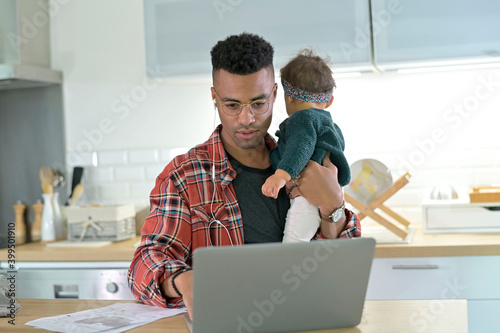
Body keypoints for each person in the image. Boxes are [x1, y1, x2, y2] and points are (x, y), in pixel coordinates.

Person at [127, 33, 361, 320]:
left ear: (275, 94)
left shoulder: (311, 165)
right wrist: (184, 281)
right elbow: (144, 265)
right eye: (232, 105)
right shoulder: (183, 176)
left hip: (303, 321)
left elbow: (346, 271)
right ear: (214, 98)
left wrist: (333, 207)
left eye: (259, 104)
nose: (246, 119)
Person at [261, 49, 351, 243]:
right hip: (328, 191)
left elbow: (300, 148)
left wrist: (281, 176)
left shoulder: (302, 119)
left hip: (305, 196)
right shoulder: (329, 124)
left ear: (289, 97)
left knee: (294, 239)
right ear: (329, 101)